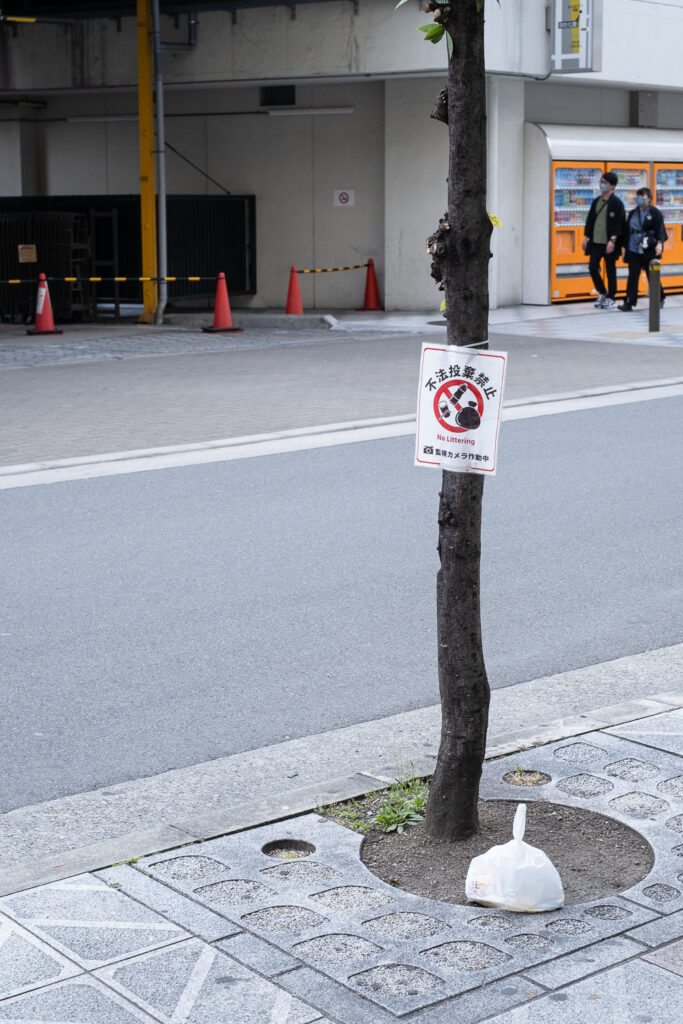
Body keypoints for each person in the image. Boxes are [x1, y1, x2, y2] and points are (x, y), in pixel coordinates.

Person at [618, 187, 667, 312]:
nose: (639, 200)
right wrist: (624, 248)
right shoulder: (633, 213)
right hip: (634, 248)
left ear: (649, 199)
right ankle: (629, 301)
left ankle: (659, 297)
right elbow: (626, 231)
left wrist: (659, 244)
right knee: (633, 276)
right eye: (638, 197)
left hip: (649, 249)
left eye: (642, 197)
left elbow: (660, 229)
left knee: (652, 275)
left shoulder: (655, 212)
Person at [582, 170, 625, 309]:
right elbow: (590, 220)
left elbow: (620, 224)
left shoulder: (617, 203)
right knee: (592, 267)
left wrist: (613, 241)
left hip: (609, 243)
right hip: (595, 241)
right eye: (601, 181)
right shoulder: (596, 201)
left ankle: (612, 296)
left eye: (605, 182)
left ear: (612, 186)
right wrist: (586, 237)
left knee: (611, 269)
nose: (601, 184)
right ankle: (602, 291)